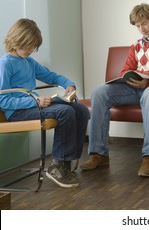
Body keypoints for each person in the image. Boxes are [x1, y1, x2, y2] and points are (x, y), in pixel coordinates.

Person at [80, 3, 149, 177]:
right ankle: (99, 154)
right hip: (136, 89)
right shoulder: (136, 46)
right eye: (137, 26)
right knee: (99, 92)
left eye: (144, 23)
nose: (141, 28)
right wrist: (134, 77)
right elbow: (125, 71)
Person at [0, 18, 89, 188]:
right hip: (18, 112)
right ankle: (57, 166)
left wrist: (69, 84)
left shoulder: (29, 62)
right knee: (65, 112)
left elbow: (52, 77)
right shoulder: (5, 64)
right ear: (16, 40)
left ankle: (67, 161)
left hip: (34, 105)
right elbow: (2, 99)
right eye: (28, 46)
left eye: (34, 46)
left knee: (80, 110)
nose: (31, 50)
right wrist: (35, 100)